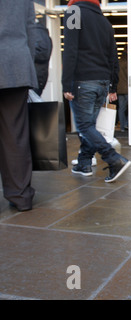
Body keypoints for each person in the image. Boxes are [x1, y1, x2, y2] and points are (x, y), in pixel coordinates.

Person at [62, 0, 131, 182]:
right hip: (102, 82)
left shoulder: (74, 12)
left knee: (84, 126)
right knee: (90, 125)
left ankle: (114, 159)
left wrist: (66, 83)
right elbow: (113, 57)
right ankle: (84, 163)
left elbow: (69, 49)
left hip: (83, 80)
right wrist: (112, 85)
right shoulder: (104, 21)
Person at [0, 0, 37, 211]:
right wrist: (25, 64)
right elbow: (31, 29)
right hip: (16, 63)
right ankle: (21, 196)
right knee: (15, 135)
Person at [32, 20, 52, 96]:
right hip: (34, 79)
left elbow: (43, 53)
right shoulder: (38, 32)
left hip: (34, 79)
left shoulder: (38, 32)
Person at [116, 48, 128, 132]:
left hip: (119, 89)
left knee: (121, 108)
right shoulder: (127, 63)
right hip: (127, 89)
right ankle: (128, 124)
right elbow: (129, 76)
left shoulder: (118, 63)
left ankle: (122, 127)